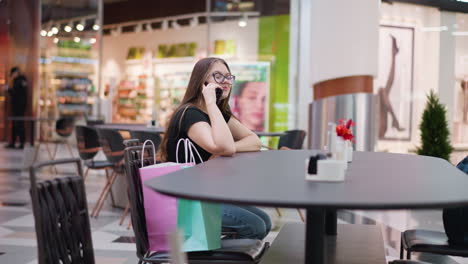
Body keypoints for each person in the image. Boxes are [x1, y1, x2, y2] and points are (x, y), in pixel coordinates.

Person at [159, 57, 272, 240]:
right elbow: (224, 147)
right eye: (218, 76)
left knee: (265, 220)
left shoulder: (217, 114)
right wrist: (211, 102)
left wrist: (225, 148)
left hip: (205, 194)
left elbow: (253, 141)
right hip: (185, 200)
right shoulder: (190, 113)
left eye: (228, 77)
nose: (226, 81)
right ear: (202, 82)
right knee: (255, 226)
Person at [378, 35, 405, 139]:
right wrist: (393, 56)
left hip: (381, 127)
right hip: (380, 128)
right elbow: (390, 82)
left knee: (382, 90)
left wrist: (393, 56)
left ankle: (395, 120)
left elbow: (390, 82)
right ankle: (395, 120)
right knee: (382, 91)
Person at [5, 67, 27, 149]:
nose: (12, 76)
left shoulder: (20, 81)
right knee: (15, 124)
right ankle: (13, 142)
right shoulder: (18, 81)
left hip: (19, 107)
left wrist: (8, 89)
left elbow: (16, 93)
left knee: (19, 124)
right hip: (16, 107)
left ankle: (21, 143)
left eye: (13, 74)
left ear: (16, 73)